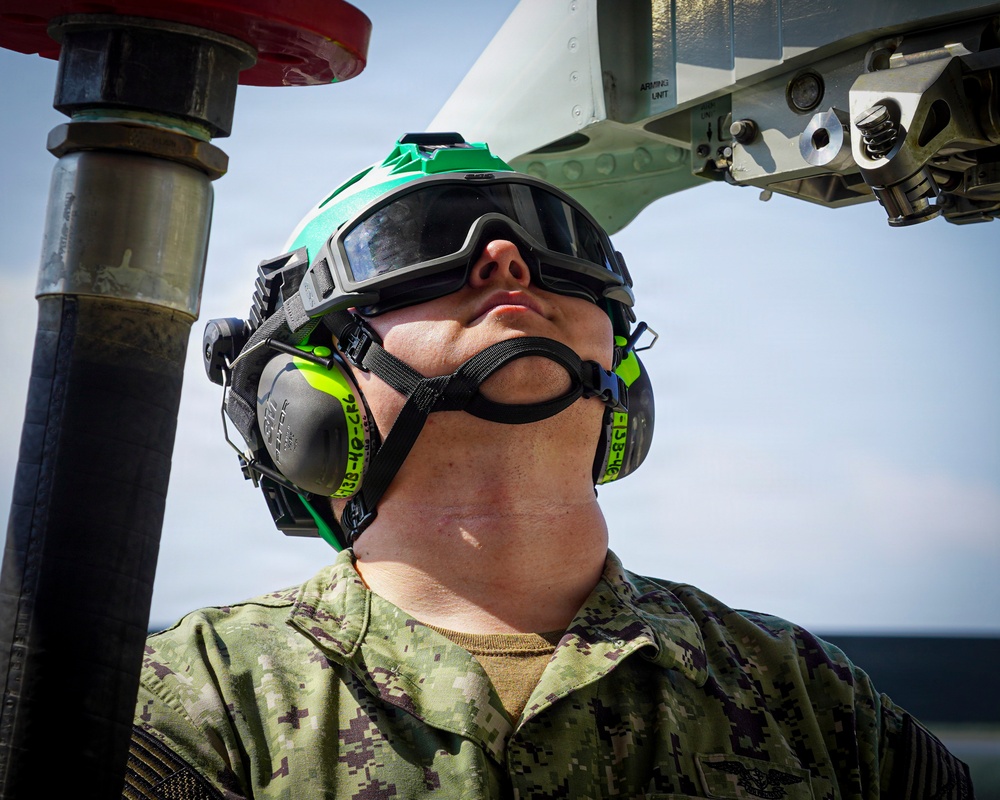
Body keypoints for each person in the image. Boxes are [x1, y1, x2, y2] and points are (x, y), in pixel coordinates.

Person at [123, 133, 974, 799]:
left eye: (560, 247)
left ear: (622, 375)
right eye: (417, 243)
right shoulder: (188, 708)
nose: (506, 259)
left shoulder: (814, 702)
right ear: (305, 387)